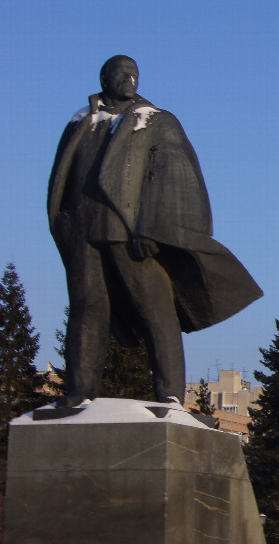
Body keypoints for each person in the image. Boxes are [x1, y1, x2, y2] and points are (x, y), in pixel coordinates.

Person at [47, 55, 261, 407]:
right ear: (104, 78)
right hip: (83, 229)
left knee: (154, 310)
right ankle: (79, 391)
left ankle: (170, 395)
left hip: (129, 230)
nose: (129, 80)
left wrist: (150, 228)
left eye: (134, 75)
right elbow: (61, 178)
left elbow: (172, 177)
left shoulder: (156, 121)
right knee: (87, 306)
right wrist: (65, 223)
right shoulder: (80, 122)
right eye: (121, 75)